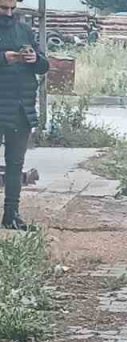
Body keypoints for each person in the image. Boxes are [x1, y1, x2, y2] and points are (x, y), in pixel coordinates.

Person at [0, 0, 47, 231]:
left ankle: (11, 215)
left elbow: (44, 65)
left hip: (20, 109)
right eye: (3, 8)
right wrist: (3, 58)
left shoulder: (25, 30)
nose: (8, 13)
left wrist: (35, 59)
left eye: (12, 8)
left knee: (15, 165)